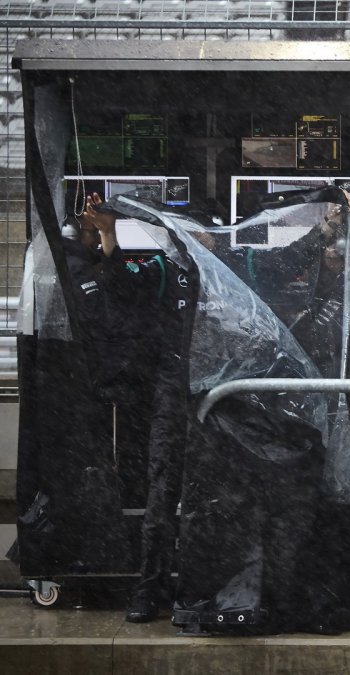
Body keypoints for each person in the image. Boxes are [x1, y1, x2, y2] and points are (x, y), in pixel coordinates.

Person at [77, 194, 196, 622]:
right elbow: (122, 280)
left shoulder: (235, 272)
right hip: (172, 390)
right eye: (190, 233)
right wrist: (107, 232)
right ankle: (151, 586)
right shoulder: (164, 268)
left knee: (222, 491)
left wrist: (327, 227)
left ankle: (211, 581)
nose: (200, 241)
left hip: (222, 396)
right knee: (162, 490)